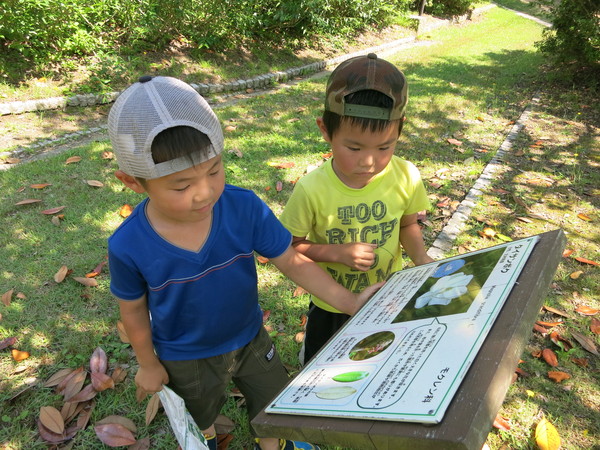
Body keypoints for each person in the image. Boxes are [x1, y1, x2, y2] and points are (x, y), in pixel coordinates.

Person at [106, 76, 383, 450]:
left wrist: (349, 302)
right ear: (133, 182)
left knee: (272, 406)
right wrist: (149, 363)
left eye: (214, 170)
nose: (204, 192)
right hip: (186, 357)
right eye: (181, 186)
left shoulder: (243, 207)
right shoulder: (127, 245)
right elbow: (133, 310)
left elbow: (290, 259)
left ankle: (274, 445)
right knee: (199, 414)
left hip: (251, 337)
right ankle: (204, 437)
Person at [279, 53, 434, 365]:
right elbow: (287, 247)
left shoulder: (406, 175)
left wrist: (422, 260)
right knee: (321, 366)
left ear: (400, 129)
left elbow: (407, 225)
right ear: (325, 130)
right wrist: (335, 252)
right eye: (354, 148)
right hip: (330, 305)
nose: (368, 162)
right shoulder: (311, 188)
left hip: (387, 297)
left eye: (384, 147)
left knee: (376, 359)